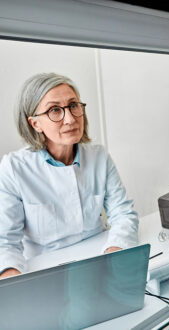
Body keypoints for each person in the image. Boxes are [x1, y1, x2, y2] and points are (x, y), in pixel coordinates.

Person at [0, 73, 139, 279]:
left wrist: (115, 252)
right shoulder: (14, 168)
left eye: (73, 105)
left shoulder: (99, 156)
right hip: (46, 271)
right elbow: (5, 242)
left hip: (99, 260)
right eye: (55, 110)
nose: (70, 118)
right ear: (35, 123)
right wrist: (13, 283)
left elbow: (123, 214)